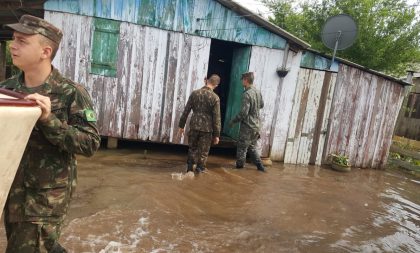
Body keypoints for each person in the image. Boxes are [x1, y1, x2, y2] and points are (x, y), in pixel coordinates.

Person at [1, 15, 101, 252]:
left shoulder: (70, 93)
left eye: (22, 41)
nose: (12, 45)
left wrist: (49, 119)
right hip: (11, 191)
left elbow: (90, 143)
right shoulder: (8, 90)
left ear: (45, 52)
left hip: (45, 196)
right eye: (14, 39)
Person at [178, 74, 221, 173]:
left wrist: (181, 126)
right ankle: (199, 171)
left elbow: (186, 111)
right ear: (216, 85)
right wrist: (217, 135)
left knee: (192, 149)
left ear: (207, 81)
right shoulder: (215, 98)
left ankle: (189, 169)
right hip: (207, 129)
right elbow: (217, 118)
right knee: (203, 153)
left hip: (194, 126)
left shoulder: (194, 93)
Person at [229, 72, 266, 172]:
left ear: (246, 80)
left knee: (242, 148)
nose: (241, 81)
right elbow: (262, 105)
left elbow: (244, 113)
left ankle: (239, 169)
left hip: (247, 126)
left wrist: (233, 121)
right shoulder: (257, 92)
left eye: (242, 79)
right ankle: (260, 166)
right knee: (252, 147)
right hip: (256, 126)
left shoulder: (247, 94)